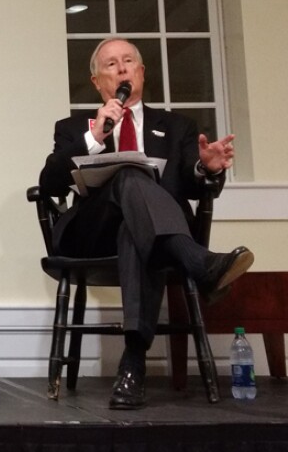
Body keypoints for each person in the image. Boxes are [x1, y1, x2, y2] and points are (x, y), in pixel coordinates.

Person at [39, 38, 254, 410]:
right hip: (92, 234)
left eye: (128, 62)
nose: (121, 69)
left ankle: (133, 362)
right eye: (110, 64)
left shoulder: (176, 126)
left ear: (141, 72)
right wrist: (96, 137)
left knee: (137, 234)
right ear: (96, 81)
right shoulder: (75, 127)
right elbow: (49, 183)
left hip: (146, 236)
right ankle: (199, 262)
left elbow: (193, 182)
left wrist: (206, 167)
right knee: (129, 176)